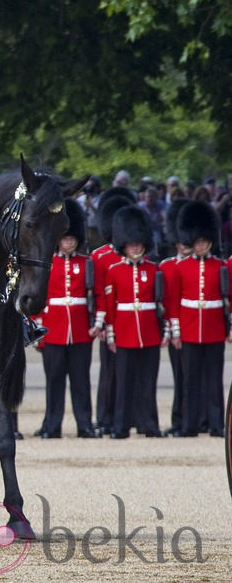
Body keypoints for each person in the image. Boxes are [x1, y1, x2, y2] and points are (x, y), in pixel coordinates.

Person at [33, 199, 98, 438]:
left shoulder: (86, 263)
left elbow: (97, 296)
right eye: (65, 238)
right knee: (54, 383)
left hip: (80, 330)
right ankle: (52, 425)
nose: (69, 242)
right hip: (54, 330)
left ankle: (85, 424)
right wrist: (39, 330)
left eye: (72, 239)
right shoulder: (48, 263)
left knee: (81, 382)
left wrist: (96, 324)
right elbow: (39, 298)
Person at [166, 200, 229, 437]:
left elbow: (227, 300)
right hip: (190, 330)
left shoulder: (220, 266)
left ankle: (216, 424)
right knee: (190, 381)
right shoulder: (182, 268)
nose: (201, 245)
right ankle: (189, 425)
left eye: (204, 241)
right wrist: (176, 331)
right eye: (198, 241)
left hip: (213, 329)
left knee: (214, 381)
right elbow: (174, 302)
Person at [103, 206, 165, 439]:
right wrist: (111, 334)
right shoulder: (114, 271)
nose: (135, 247)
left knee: (148, 382)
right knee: (124, 383)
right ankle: (121, 427)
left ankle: (149, 424)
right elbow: (110, 306)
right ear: (124, 246)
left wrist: (165, 330)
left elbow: (161, 303)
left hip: (149, 332)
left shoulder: (153, 269)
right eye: (131, 244)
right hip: (125, 331)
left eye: (138, 244)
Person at [89, 186, 137, 435]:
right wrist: (102, 323)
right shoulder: (100, 256)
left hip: (132, 323)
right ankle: (106, 416)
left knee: (134, 375)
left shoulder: (138, 254)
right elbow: (97, 292)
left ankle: (133, 416)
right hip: (109, 323)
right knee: (109, 373)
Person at [158, 198, 191, 434]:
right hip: (176, 327)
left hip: (198, 328)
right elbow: (166, 302)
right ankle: (180, 419)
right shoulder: (167, 266)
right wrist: (170, 330)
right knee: (180, 377)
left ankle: (199, 419)